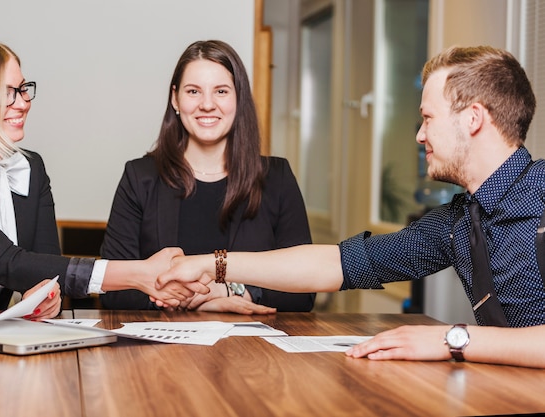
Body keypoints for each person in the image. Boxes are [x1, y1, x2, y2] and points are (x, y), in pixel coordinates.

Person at [154, 45, 545, 368]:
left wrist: (451, 339)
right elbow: (336, 264)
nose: (420, 134)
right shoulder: (458, 221)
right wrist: (209, 263)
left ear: (473, 118)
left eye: (428, 118)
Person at [0, 39, 207, 318]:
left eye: (22, 89)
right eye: (8, 92)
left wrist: (47, 298)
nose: (22, 103)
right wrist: (137, 274)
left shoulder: (30, 167)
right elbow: (4, 262)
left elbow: (48, 271)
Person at [100, 40, 315, 314]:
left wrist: (233, 290)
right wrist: (200, 297)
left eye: (221, 91)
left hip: (251, 350)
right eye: (193, 91)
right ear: (175, 99)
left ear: (239, 99)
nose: (207, 104)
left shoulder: (277, 178)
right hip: (161, 352)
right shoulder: (139, 177)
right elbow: (113, 290)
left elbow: (304, 290)